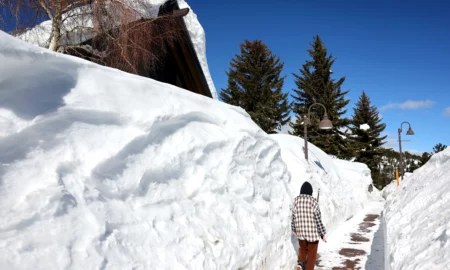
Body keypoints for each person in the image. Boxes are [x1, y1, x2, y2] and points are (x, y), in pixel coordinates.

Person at [291, 181, 327, 270]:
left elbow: (293, 217)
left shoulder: (296, 201)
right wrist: (322, 234)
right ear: (311, 192)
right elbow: (318, 220)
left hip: (301, 232)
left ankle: (300, 264)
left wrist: (294, 229)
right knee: (312, 253)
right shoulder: (314, 202)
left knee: (302, 249)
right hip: (312, 234)